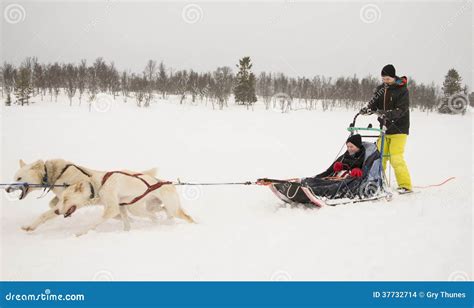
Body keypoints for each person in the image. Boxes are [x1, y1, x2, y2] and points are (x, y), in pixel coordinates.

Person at [360, 64, 412, 193]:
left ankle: (405, 185)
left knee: (396, 157)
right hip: (384, 129)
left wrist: (386, 113)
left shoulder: (402, 90)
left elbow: (402, 110)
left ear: (394, 77)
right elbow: (373, 104)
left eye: (388, 79)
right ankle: (376, 182)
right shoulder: (381, 89)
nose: (385, 81)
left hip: (399, 129)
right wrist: (368, 109)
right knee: (378, 157)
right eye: (383, 79)